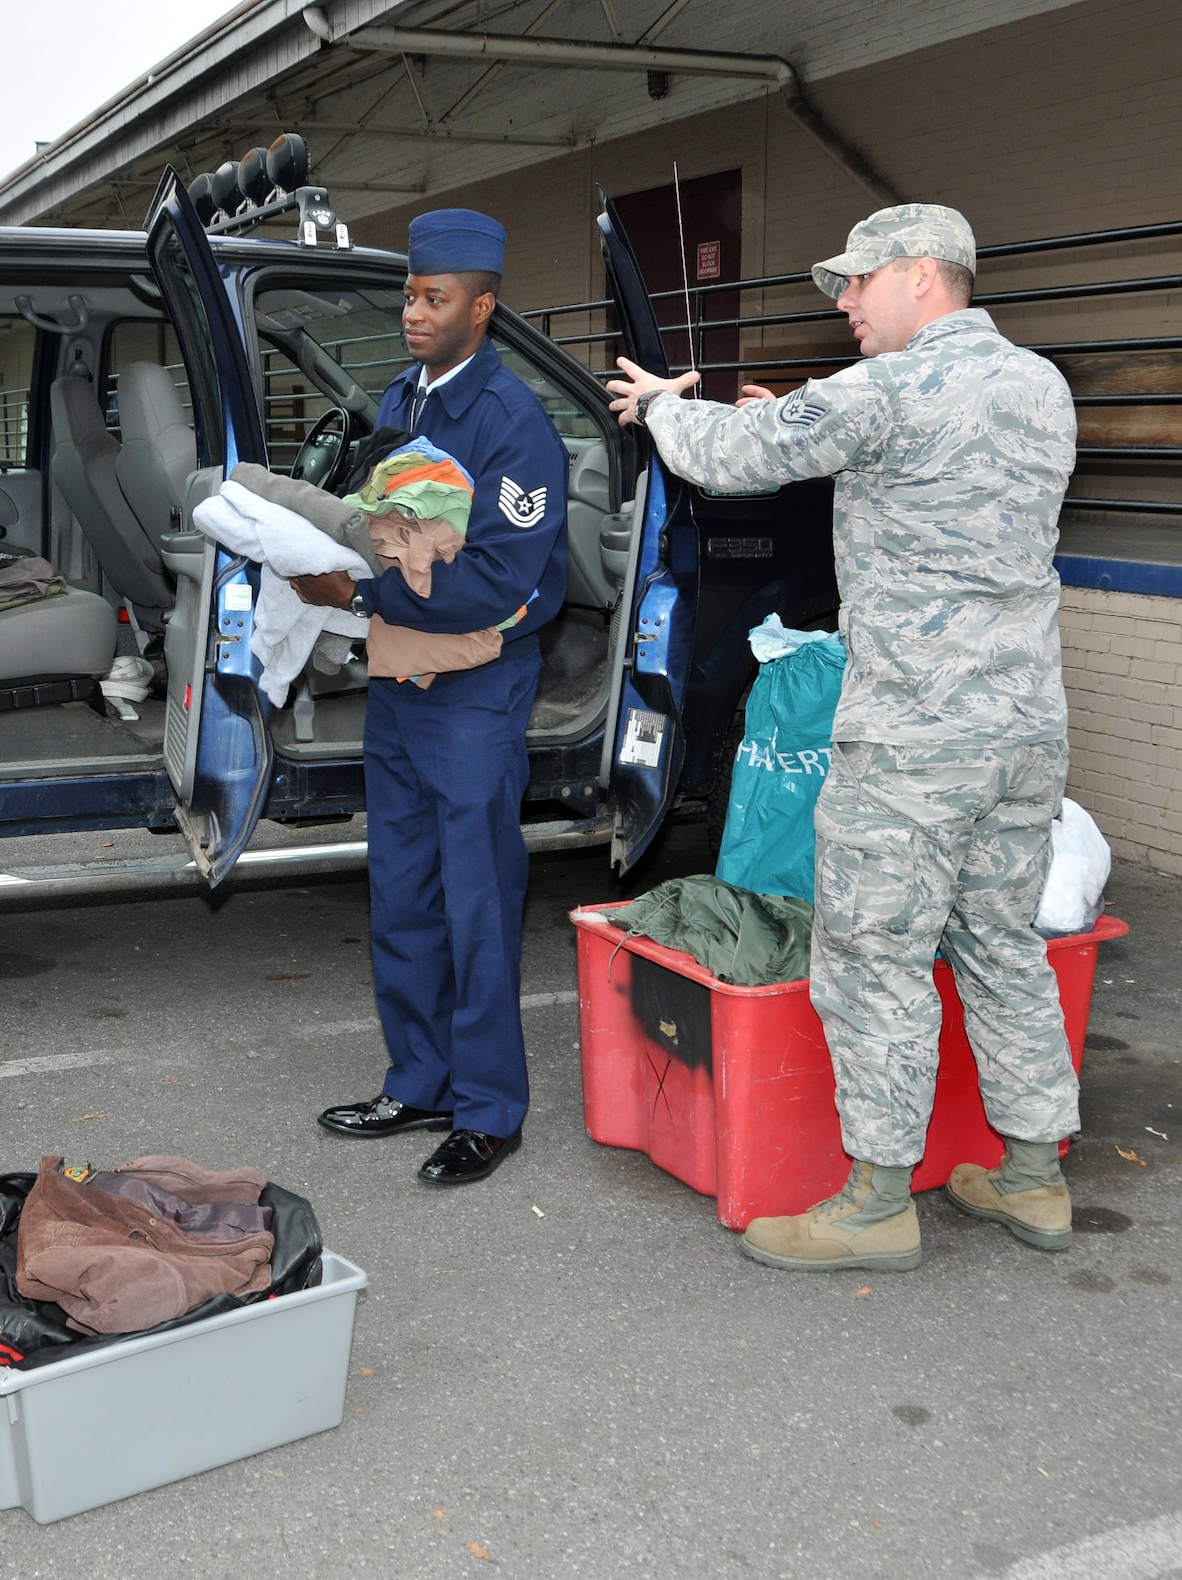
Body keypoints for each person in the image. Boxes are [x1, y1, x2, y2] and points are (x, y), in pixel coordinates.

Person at [606, 204, 1082, 1272]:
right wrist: (824, 430)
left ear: (920, 275)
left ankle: (872, 1203)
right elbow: (927, 476)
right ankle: (1032, 1176)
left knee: (871, 954)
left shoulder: (884, 389)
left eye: (858, 282)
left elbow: (731, 456)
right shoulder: (1036, 383)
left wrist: (662, 407)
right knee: (1001, 945)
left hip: (913, 736)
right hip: (1018, 728)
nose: (843, 302)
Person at [294, 209, 570, 1186]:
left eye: (433, 298)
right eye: (408, 295)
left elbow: (501, 576)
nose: (412, 312)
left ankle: (488, 1108)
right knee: (401, 891)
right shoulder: (400, 397)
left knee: (474, 898)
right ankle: (418, 1080)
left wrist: (357, 587)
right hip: (402, 679)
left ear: (480, 308)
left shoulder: (510, 424)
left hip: (473, 691)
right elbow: (376, 514)